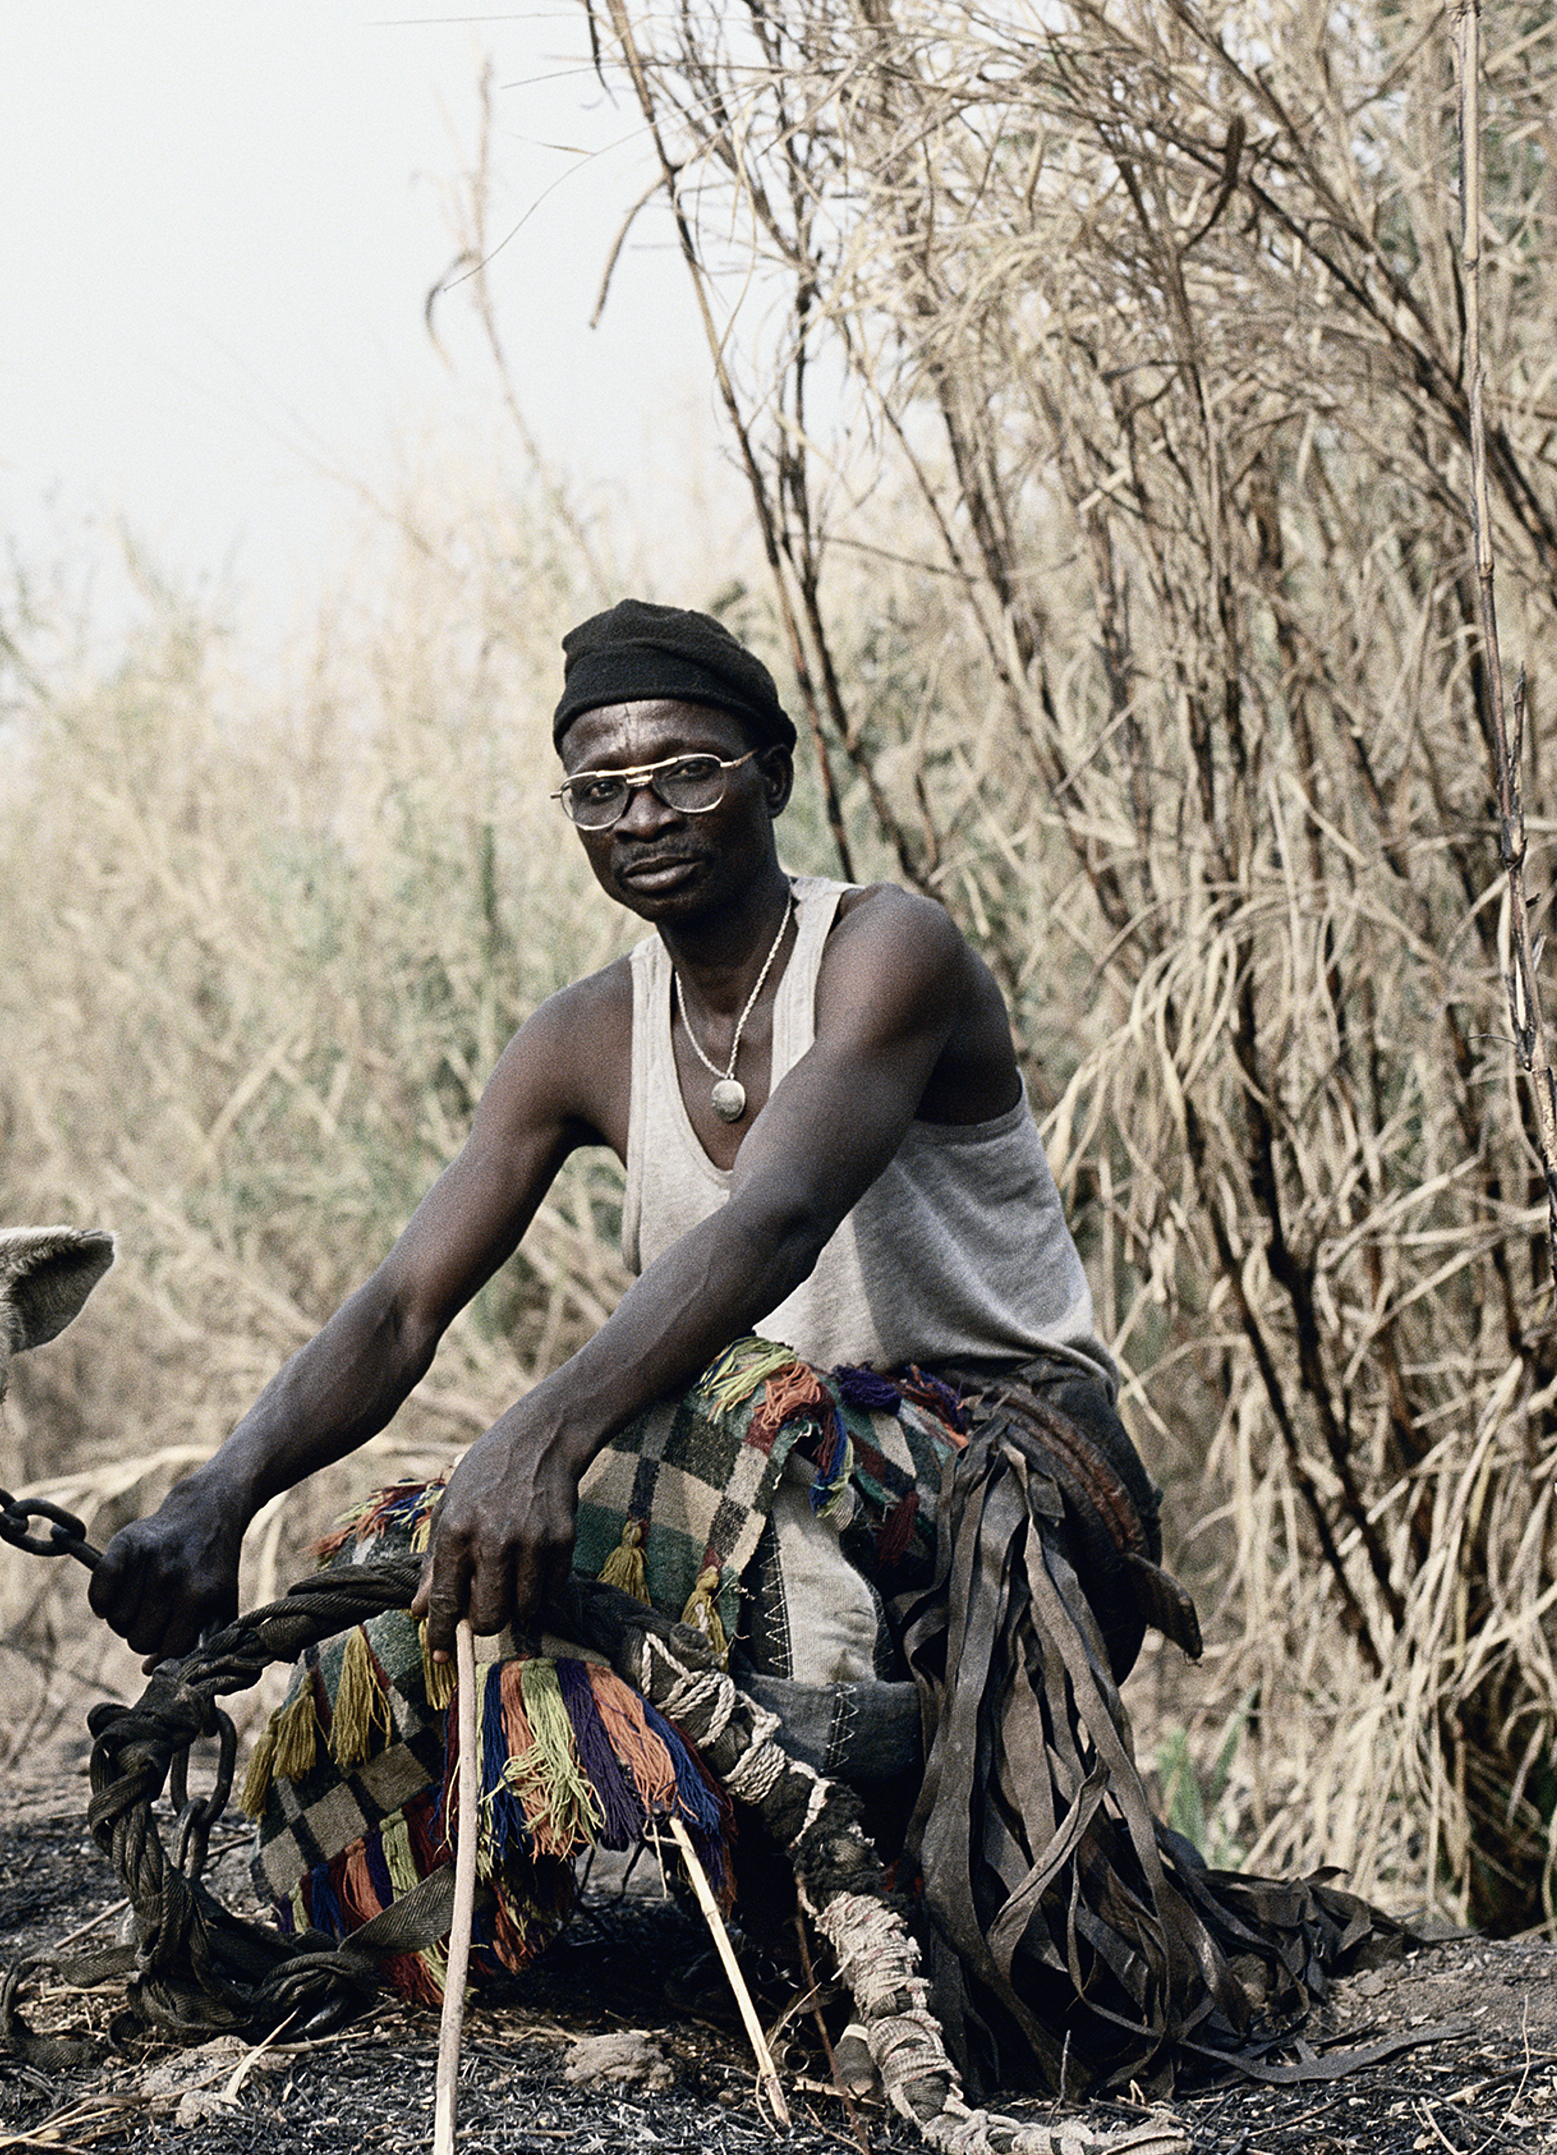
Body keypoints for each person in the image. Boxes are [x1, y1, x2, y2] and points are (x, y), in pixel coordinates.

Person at [86, 596, 1135, 1669]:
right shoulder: (582, 1035)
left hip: (1012, 1454)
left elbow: (777, 1217)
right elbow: (403, 1308)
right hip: (764, 1465)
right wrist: (217, 1495)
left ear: (770, 776)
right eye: (600, 792)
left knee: (687, 1485)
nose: (643, 818)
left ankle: (808, 1821)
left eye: (687, 773)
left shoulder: (888, 949)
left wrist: (543, 1431)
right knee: (411, 1595)